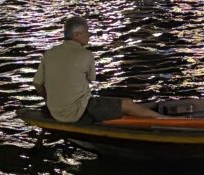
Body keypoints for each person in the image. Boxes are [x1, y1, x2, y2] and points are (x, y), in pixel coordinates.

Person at [33, 16, 169, 124]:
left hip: (56, 110)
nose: (89, 35)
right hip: (79, 111)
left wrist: (49, 99)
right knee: (127, 103)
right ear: (76, 35)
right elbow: (92, 79)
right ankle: (165, 120)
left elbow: (38, 84)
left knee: (125, 103)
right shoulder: (85, 54)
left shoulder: (49, 53)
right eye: (86, 31)